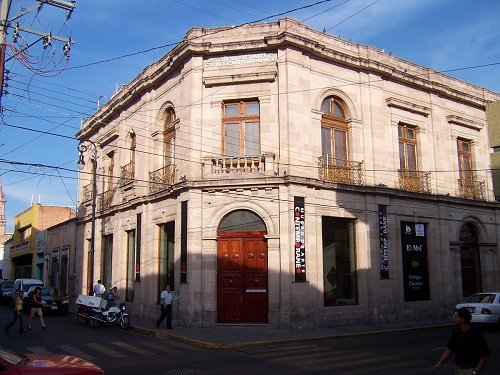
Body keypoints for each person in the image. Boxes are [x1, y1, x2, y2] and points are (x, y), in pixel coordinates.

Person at [434, 307, 489, 374]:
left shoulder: (475, 334)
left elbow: (484, 355)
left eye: (456, 316)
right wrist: (440, 363)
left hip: (470, 369)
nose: (453, 318)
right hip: (458, 369)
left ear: (462, 319)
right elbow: (450, 348)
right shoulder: (456, 331)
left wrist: (475, 372)